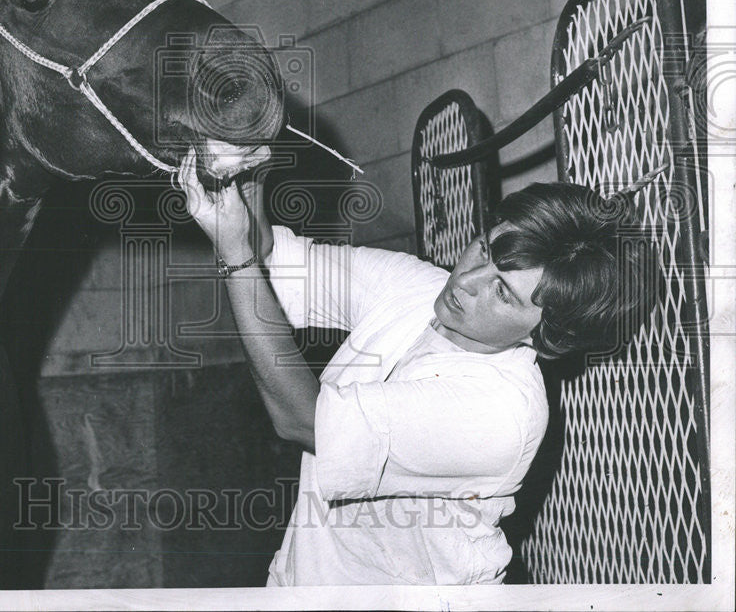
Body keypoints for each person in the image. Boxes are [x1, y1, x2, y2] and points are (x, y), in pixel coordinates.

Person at [177, 149, 655, 586]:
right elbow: (272, 260)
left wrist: (234, 255)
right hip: (304, 584)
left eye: (502, 292)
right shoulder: (417, 288)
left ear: (546, 336)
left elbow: (302, 419)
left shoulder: (500, 411)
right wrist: (248, 165)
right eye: (483, 250)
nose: (466, 281)